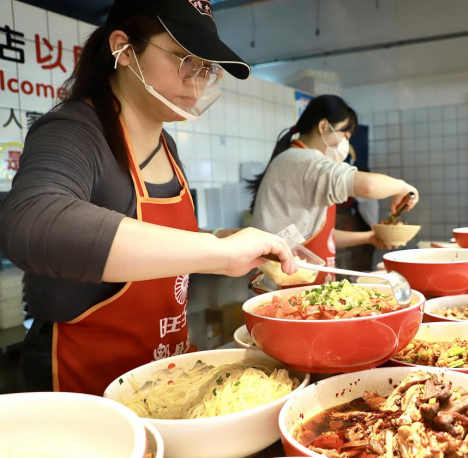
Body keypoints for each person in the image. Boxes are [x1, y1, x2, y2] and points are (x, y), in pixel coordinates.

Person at [0, 0, 296, 395]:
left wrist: (219, 239)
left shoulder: (167, 144)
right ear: (123, 48)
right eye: (184, 58)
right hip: (86, 380)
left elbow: (156, 236)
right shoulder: (73, 130)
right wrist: (217, 252)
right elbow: (33, 221)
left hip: (163, 371)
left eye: (206, 67)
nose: (197, 80)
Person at [249, 95, 419, 283]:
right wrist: (402, 187)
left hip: (302, 282)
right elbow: (369, 186)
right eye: (344, 135)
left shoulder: (296, 161)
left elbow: (322, 236)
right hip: (287, 284)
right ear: (323, 126)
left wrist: (370, 237)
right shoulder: (303, 161)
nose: (345, 143)